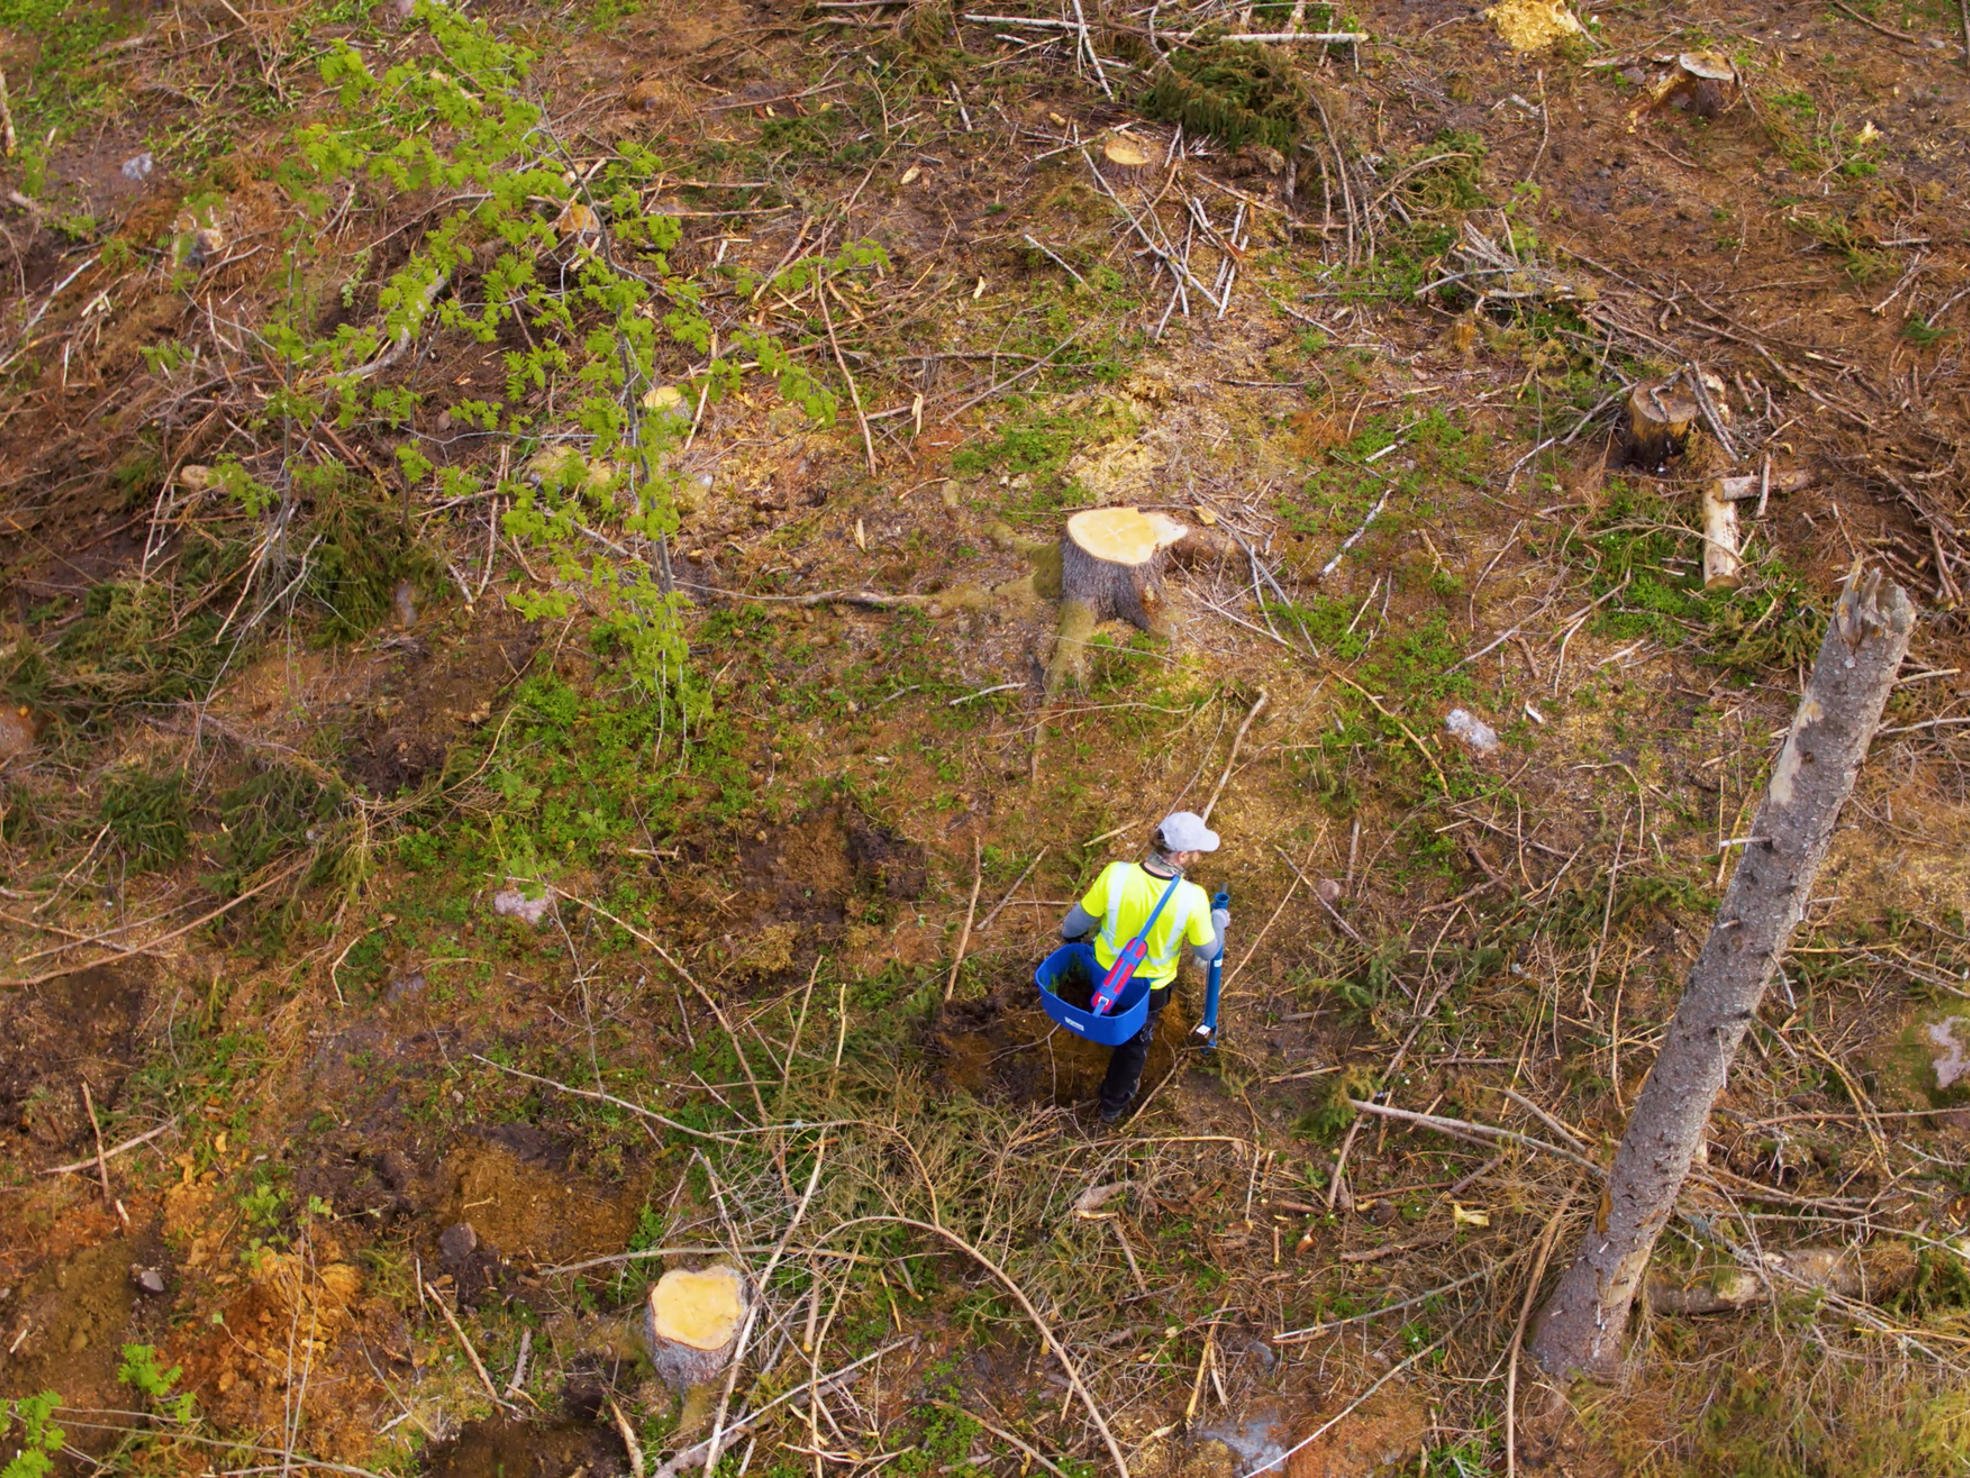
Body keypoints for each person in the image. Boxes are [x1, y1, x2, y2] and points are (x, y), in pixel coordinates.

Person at [1059, 811, 1228, 1124]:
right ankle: (1112, 1107)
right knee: (1134, 1044)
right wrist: (1218, 920)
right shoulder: (1192, 898)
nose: (1200, 856)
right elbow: (1208, 949)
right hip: (1148, 991)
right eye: (1197, 852)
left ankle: (1097, 1024)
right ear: (1182, 855)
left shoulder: (1115, 875)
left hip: (1103, 976)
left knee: (1108, 1009)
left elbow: (1072, 927)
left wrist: (1071, 942)